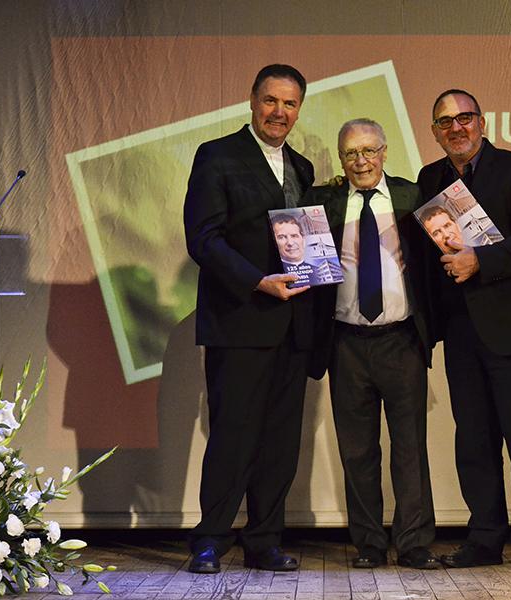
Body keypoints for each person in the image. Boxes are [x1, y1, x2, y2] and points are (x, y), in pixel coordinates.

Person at [417, 89, 511, 571]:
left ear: (482, 122)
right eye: (445, 122)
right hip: (461, 329)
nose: (456, 128)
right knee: (474, 441)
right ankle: (484, 539)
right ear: (435, 132)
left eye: (465, 118)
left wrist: (480, 260)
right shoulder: (430, 179)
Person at [182, 64, 315, 574]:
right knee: (233, 436)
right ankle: (210, 540)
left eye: (290, 103)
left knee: (280, 443)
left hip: (292, 327)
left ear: (299, 110)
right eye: (271, 101)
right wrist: (258, 281)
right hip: (239, 321)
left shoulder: (302, 167)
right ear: (253, 101)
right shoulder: (217, 155)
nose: (279, 112)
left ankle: (264, 541)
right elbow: (204, 239)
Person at [304, 118, 439, 569]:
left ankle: (414, 542)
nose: (360, 161)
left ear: (384, 152)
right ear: (340, 159)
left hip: (401, 339)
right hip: (345, 342)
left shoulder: (412, 196)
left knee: (410, 446)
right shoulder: (321, 203)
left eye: (368, 151)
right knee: (357, 450)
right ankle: (369, 543)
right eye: (350, 153)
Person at [271, 213, 321, 286]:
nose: (290, 243)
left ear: (303, 239)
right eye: (281, 237)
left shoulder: (319, 272)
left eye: (294, 236)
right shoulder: (270, 277)